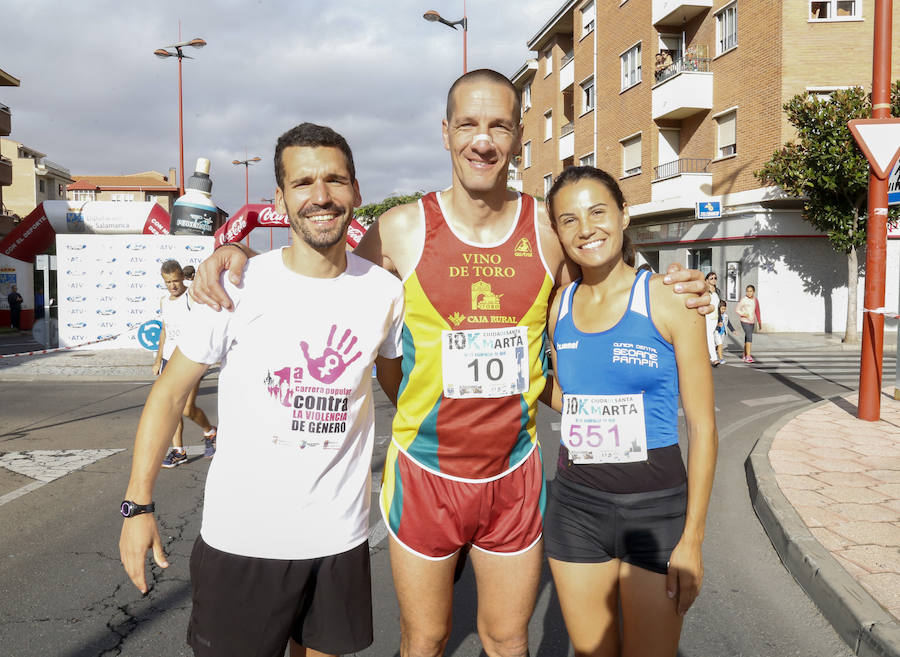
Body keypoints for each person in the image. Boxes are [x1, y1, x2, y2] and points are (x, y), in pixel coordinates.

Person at [189, 70, 711, 657]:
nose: (482, 140)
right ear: (445, 132)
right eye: (467, 124)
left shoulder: (545, 225)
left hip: (514, 474)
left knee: (507, 637)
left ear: (517, 137)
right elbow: (335, 284)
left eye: (498, 126)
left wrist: (669, 285)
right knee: (426, 639)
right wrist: (234, 254)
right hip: (424, 474)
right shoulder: (400, 229)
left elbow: (603, 274)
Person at [119, 122, 405, 657]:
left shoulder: (385, 292)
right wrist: (138, 505)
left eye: (335, 181)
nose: (321, 196)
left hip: (339, 541)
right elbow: (168, 392)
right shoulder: (237, 285)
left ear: (355, 191)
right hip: (242, 543)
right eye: (303, 183)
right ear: (279, 198)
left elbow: (403, 389)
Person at [542, 166, 717, 657]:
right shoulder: (558, 306)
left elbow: (703, 427)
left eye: (598, 212)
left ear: (623, 216)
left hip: (656, 511)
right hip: (575, 508)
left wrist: (693, 540)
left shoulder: (668, 299)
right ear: (557, 232)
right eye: (569, 220)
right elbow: (569, 399)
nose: (586, 229)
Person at [153, 260, 218, 466]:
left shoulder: (192, 296)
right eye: (168, 282)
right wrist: (157, 359)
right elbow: (164, 331)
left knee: (187, 409)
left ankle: (210, 431)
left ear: (182, 277)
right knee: (172, 408)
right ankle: (179, 451)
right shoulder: (164, 301)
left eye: (175, 280)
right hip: (168, 360)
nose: (173, 285)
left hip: (191, 359)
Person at [736, 285, 761, 363]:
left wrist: (759, 322)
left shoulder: (755, 300)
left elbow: (757, 311)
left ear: (753, 292)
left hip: (752, 321)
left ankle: (744, 354)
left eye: (750, 291)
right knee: (749, 337)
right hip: (744, 321)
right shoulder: (744, 300)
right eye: (747, 291)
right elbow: (737, 310)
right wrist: (744, 314)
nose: (749, 293)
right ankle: (748, 356)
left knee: (747, 338)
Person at [704, 272, 720, 366]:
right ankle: (714, 358)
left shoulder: (717, 291)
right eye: (711, 278)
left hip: (715, 318)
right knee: (710, 337)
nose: (714, 280)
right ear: (706, 280)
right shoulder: (705, 292)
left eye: (715, 278)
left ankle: (705, 356)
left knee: (710, 338)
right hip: (707, 317)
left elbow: (718, 306)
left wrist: (720, 320)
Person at [714, 300, 735, 364]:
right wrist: (717, 324)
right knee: (720, 344)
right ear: (718, 308)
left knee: (717, 346)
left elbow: (728, 323)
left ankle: (713, 355)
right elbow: (713, 323)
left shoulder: (726, 316)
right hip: (716, 332)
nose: (723, 310)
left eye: (724, 309)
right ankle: (721, 358)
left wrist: (733, 330)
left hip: (722, 333)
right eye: (722, 309)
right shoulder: (716, 315)